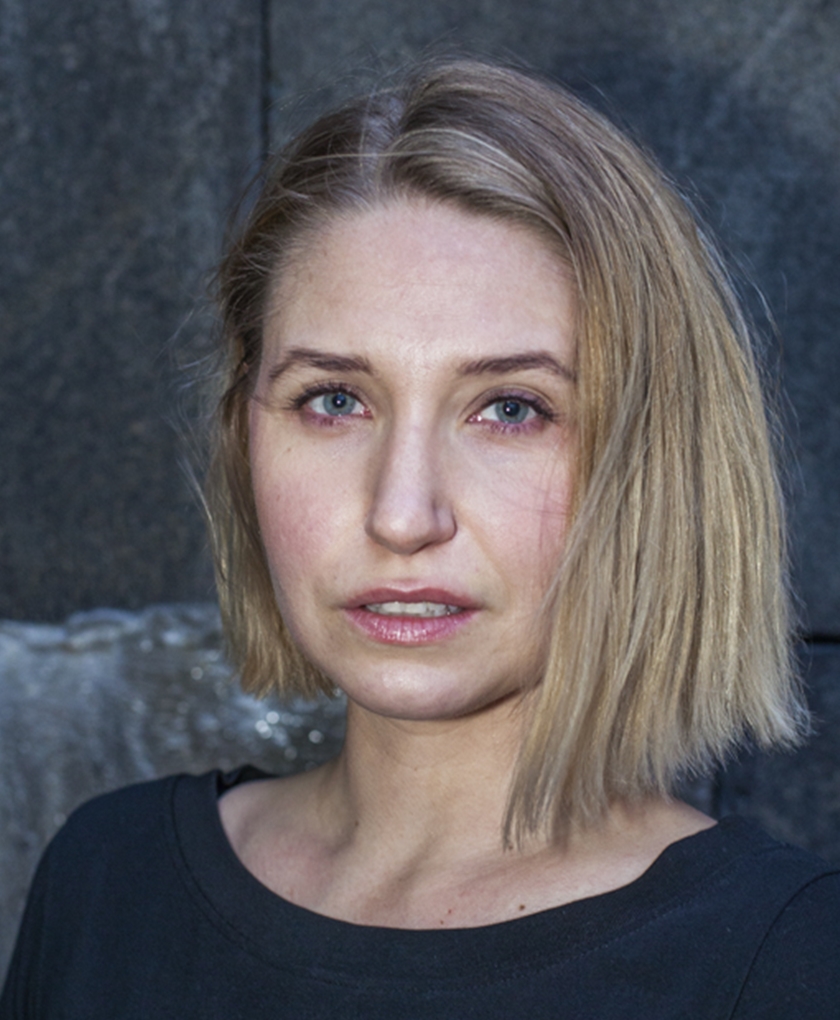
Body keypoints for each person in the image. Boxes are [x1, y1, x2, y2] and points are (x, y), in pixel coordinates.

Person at [3, 58, 839, 1018]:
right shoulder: (107, 883)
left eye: (511, 409)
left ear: (652, 464)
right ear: (242, 433)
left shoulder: (792, 965)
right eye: (334, 400)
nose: (402, 515)